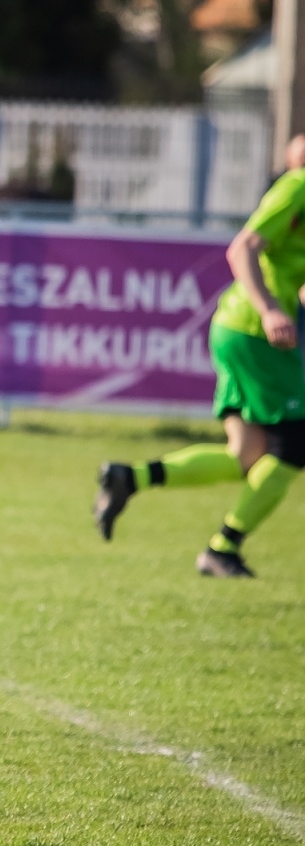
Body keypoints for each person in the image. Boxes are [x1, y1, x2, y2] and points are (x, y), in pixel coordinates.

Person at [94, 158, 305, 577]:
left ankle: (130, 478)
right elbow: (241, 247)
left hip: (247, 331)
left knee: (247, 454)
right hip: (254, 331)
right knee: (295, 444)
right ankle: (223, 548)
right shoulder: (298, 186)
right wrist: (268, 310)